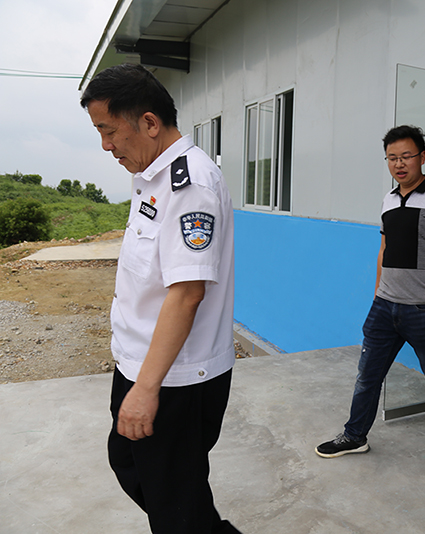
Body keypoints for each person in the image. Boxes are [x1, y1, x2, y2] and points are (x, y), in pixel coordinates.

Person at [81, 64, 240, 534]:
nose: (106, 145)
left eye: (109, 131)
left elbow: (187, 294)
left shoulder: (190, 186)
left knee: (173, 503)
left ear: (149, 123)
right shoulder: (153, 176)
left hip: (175, 378)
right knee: (131, 463)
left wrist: (147, 389)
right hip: (141, 361)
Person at [316, 125, 425, 464]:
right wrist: (377, 295)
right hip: (384, 308)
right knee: (367, 377)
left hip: (424, 308)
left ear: (422, 157)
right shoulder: (388, 200)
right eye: (392, 158)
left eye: (406, 156)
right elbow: (384, 250)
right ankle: (355, 435)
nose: (399, 164)